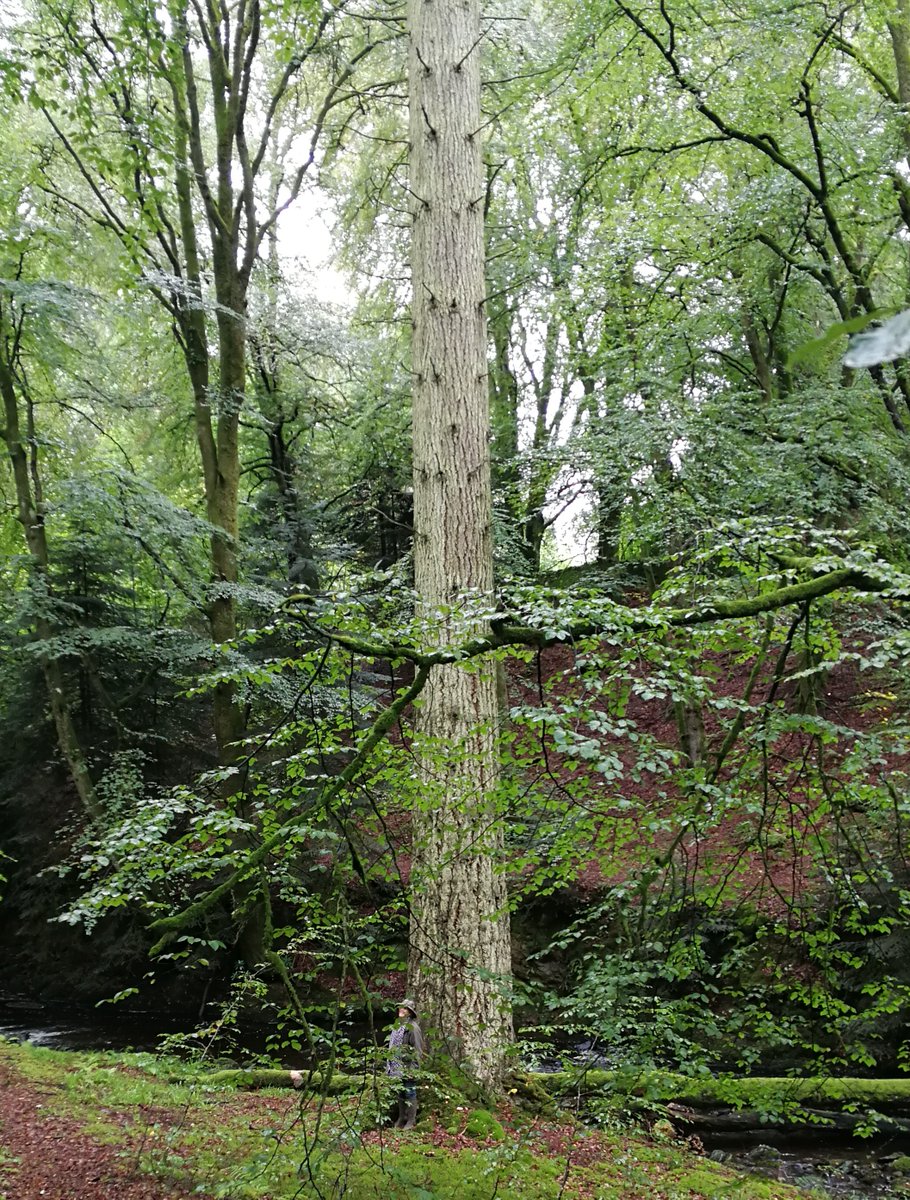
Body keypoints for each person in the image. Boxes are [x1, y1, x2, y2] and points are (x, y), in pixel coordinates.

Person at [386, 998, 424, 1129]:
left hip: (408, 1067)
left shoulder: (413, 1028)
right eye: (400, 1007)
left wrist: (413, 1070)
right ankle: (401, 1118)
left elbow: (417, 1050)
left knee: (410, 1092)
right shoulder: (397, 1026)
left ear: (410, 1012)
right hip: (397, 1066)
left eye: (404, 1008)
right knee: (400, 1092)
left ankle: (411, 1121)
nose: (401, 1010)